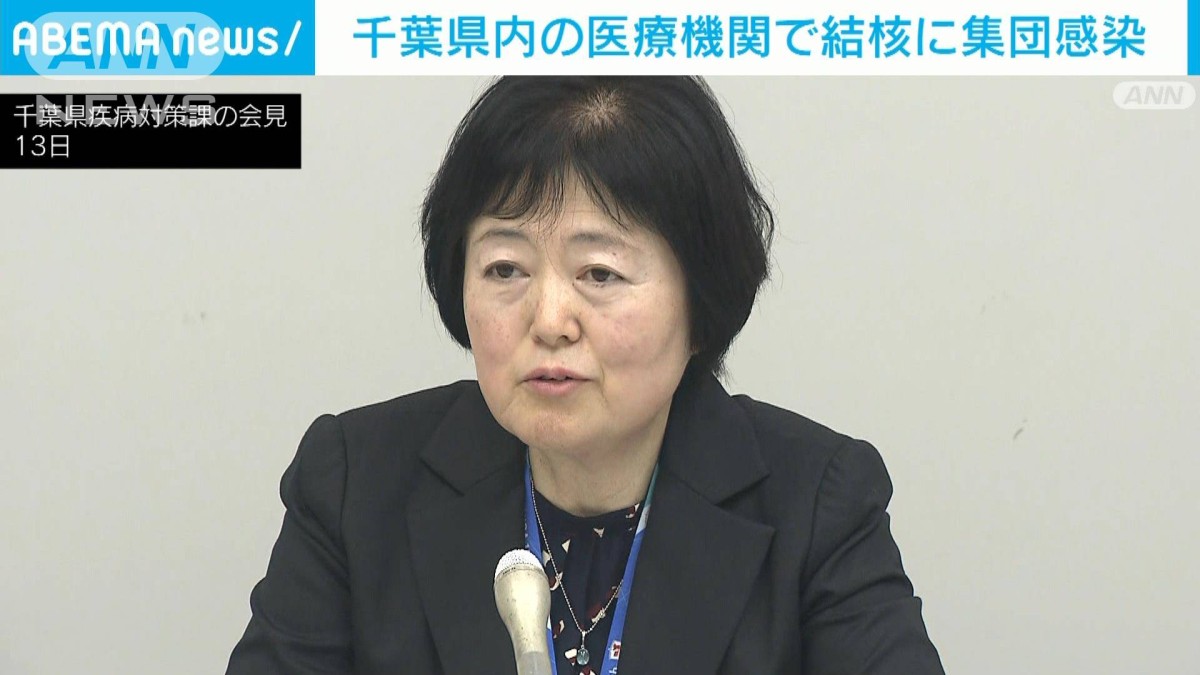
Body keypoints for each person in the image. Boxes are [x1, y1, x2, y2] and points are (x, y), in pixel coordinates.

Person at [226, 76, 944, 675]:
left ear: (700, 300)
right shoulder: (355, 485)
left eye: (599, 273)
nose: (549, 319)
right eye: (505, 269)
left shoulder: (816, 505)